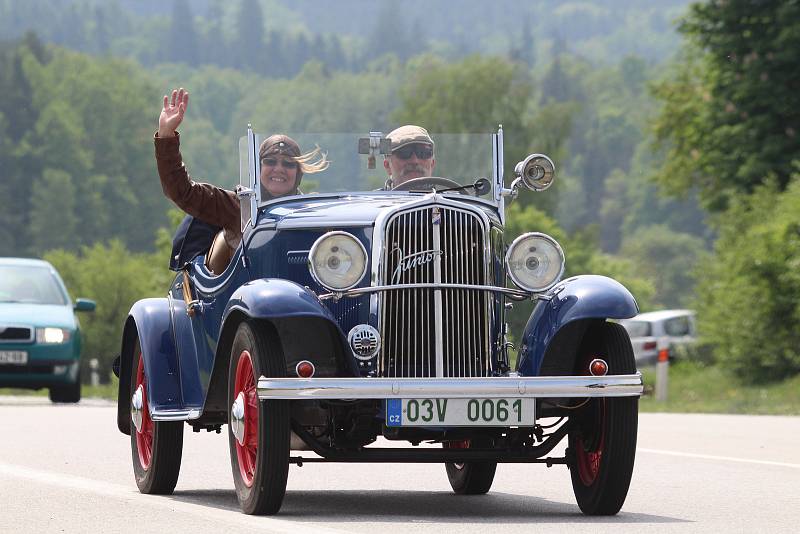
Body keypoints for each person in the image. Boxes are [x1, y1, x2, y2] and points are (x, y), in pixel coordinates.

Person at [155, 88, 328, 269]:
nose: (279, 169)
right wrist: (166, 136)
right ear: (258, 168)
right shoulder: (238, 206)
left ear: (298, 173)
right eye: (270, 162)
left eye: (288, 164)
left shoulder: (313, 215)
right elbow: (183, 192)